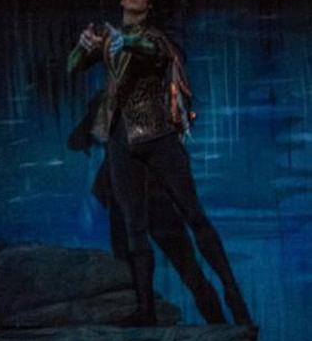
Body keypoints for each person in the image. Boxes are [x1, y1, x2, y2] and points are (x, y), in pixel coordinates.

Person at [67, 0, 252, 327]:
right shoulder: (109, 38)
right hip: (122, 143)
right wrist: (83, 47)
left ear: (148, 4)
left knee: (194, 216)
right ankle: (145, 310)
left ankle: (232, 291)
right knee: (135, 227)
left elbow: (145, 49)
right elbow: (72, 67)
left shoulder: (154, 39)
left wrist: (118, 40)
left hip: (158, 139)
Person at [68, 92, 229, 323]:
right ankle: (216, 322)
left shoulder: (113, 100)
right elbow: (79, 139)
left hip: (133, 200)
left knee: (139, 266)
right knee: (187, 269)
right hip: (149, 198)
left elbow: (79, 140)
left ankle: (151, 314)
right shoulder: (150, 99)